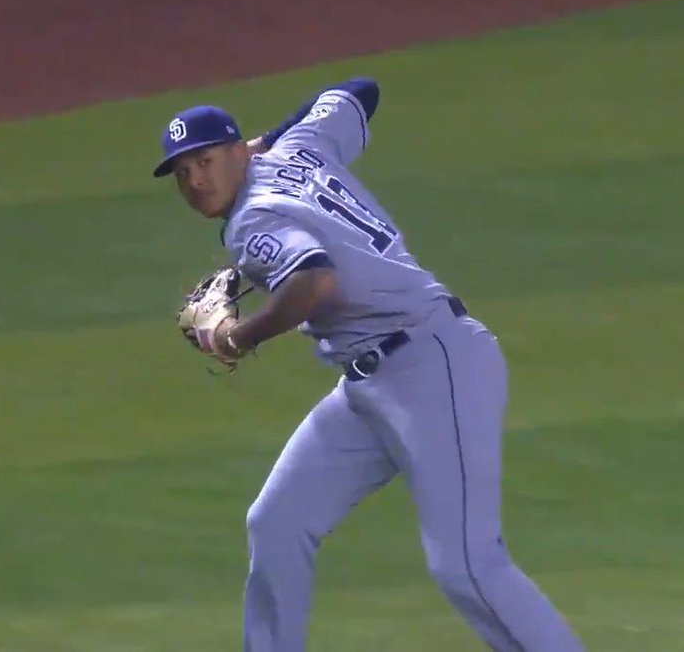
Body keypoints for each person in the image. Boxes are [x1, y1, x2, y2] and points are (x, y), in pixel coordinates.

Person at [153, 77, 585, 651]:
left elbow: (313, 282)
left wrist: (235, 338)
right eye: (182, 172)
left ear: (236, 152)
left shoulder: (253, 219)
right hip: (371, 384)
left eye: (205, 161)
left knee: (467, 565)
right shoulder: (301, 146)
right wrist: (269, 140)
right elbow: (360, 89)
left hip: (431, 368)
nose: (195, 181)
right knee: (277, 523)